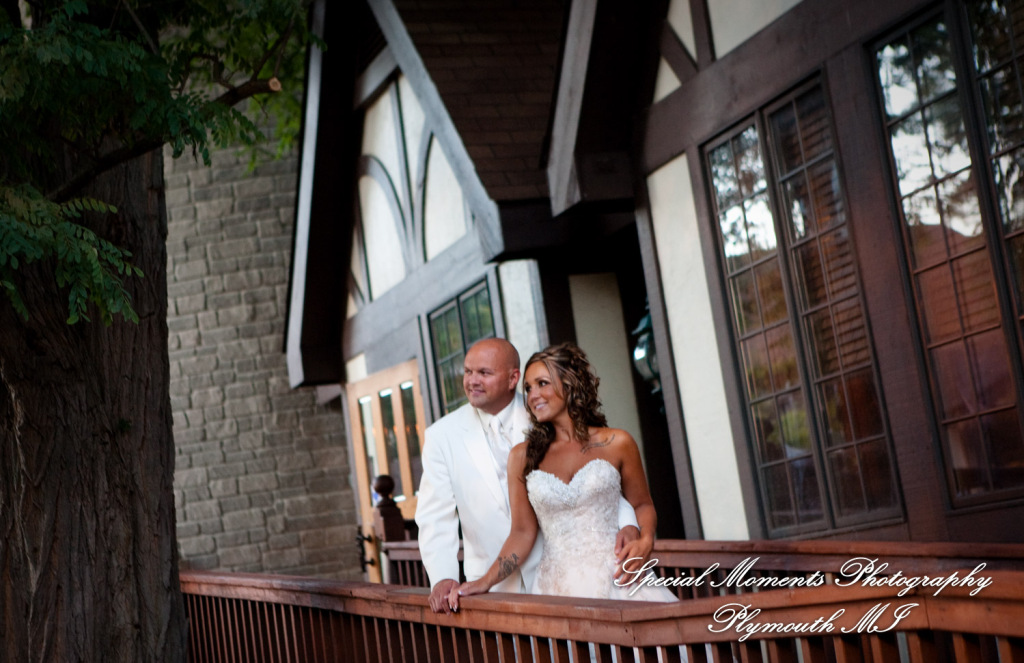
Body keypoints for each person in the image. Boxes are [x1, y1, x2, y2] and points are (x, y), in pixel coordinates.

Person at [416, 338, 644, 614]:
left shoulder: (548, 410)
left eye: (484, 373)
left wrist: (631, 527)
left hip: (562, 577)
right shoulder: (441, 436)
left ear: (513, 378)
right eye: (467, 372)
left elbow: (601, 484)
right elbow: (434, 518)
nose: (472, 381)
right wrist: (443, 577)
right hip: (489, 588)